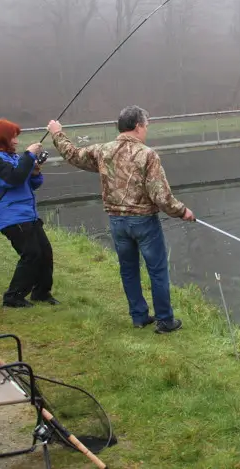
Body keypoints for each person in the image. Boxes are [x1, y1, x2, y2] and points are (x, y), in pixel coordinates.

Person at [47, 106, 194, 334]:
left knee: (128, 270)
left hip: (117, 221)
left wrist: (57, 133)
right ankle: (165, 321)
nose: (146, 130)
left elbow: (73, 155)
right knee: (157, 271)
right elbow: (161, 196)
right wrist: (182, 211)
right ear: (137, 126)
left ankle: (139, 316)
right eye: (145, 126)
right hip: (144, 221)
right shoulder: (147, 155)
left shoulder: (103, 151)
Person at [0, 118, 59, 308]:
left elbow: (29, 183)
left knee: (45, 252)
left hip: (28, 213)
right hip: (10, 215)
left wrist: (35, 171)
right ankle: (13, 297)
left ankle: (41, 293)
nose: (16, 141)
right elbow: (12, 179)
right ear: (2, 138)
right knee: (31, 254)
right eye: (13, 137)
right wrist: (28, 155)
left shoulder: (11, 158)